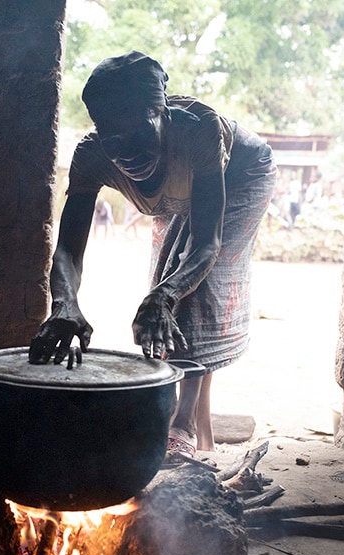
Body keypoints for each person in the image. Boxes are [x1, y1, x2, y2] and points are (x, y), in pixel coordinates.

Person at [28, 51, 276, 455]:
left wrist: (165, 296)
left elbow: (205, 244)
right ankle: (199, 426)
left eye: (139, 134)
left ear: (162, 113)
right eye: (115, 141)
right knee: (164, 286)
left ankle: (184, 425)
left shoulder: (198, 131)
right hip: (179, 191)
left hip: (241, 174)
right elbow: (68, 251)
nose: (127, 153)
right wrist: (64, 304)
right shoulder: (93, 156)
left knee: (186, 289)